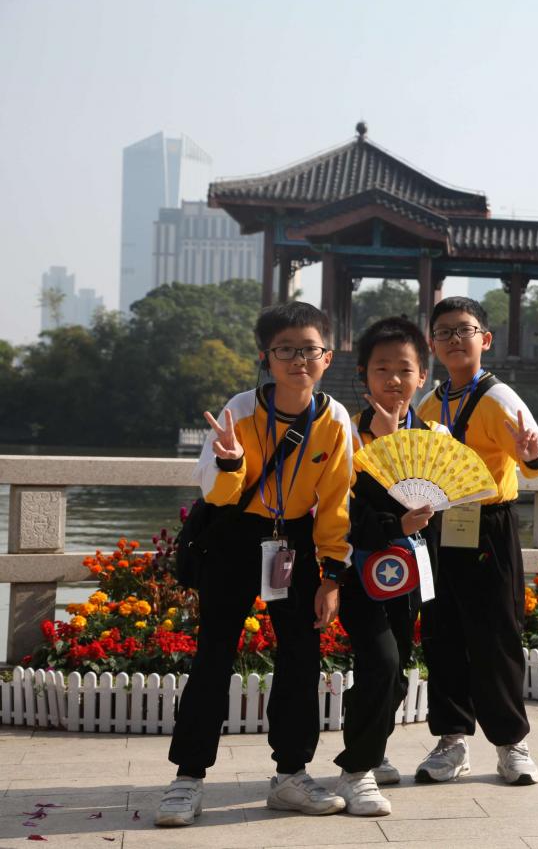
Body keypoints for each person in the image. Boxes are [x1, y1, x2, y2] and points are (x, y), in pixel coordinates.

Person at [157, 302, 353, 827]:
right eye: (285, 350)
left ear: (328, 357)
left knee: (301, 656)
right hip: (236, 537)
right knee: (214, 654)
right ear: (266, 357)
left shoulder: (334, 419)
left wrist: (333, 575)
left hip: (294, 541)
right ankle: (188, 778)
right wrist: (229, 461)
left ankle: (291, 775)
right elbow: (216, 492)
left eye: (309, 349)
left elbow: (336, 505)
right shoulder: (240, 410)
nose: (298, 360)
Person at [415, 297, 538, 786]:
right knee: (442, 633)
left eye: (465, 330)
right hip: (440, 524)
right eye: (444, 332)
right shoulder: (430, 404)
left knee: (497, 635)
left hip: (488, 525)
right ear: (432, 344)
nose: (455, 340)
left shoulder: (499, 399)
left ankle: (511, 742)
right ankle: (451, 740)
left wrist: (530, 453)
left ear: (485, 339)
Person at [330, 317, 441, 815]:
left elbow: (444, 500)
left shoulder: (434, 437)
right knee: (381, 661)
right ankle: (357, 770)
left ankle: (370, 750)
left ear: (423, 376)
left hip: (410, 573)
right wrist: (384, 452)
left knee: (394, 674)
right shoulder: (345, 435)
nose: (393, 379)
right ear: (364, 374)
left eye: (404, 369)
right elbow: (341, 511)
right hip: (357, 570)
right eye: (382, 369)